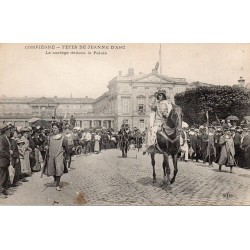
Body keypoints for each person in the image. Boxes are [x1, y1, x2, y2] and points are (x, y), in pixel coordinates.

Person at [143, 89, 171, 154]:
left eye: (160, 95)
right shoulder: (157, 104)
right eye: (158, 96)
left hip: (166, 122)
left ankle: (179, 146)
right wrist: (154, 97)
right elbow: (150, 105)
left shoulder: (168, 103)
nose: (159, 96)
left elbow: (170, 111)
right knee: (153, 133)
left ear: (163, 96)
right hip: (157, 122)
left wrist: (167, 115)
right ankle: (150, 146)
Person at [43, 122, 69, 191]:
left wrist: (67, 156)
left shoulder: (63, 138)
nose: (54, 129)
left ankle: (57, 184)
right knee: (53, 169)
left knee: (58, 168)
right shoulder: (49, 138)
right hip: (51, 155)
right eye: (53, 128)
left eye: (55, 128)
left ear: (59, 129)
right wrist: (45, 147)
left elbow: (66, 148)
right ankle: (55, 180)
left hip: (59, 155)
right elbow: (45, 145)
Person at [0, 124, 12, 196]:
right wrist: (8, 155)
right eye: (8, 130)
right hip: (2, 161)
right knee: (2, 177)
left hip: (5, 161)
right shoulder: (1, 138)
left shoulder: (5, 137)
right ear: (5, 131)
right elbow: (1, 151)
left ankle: (4, 191)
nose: (9, 131)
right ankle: (1, 193)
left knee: (5, 176)